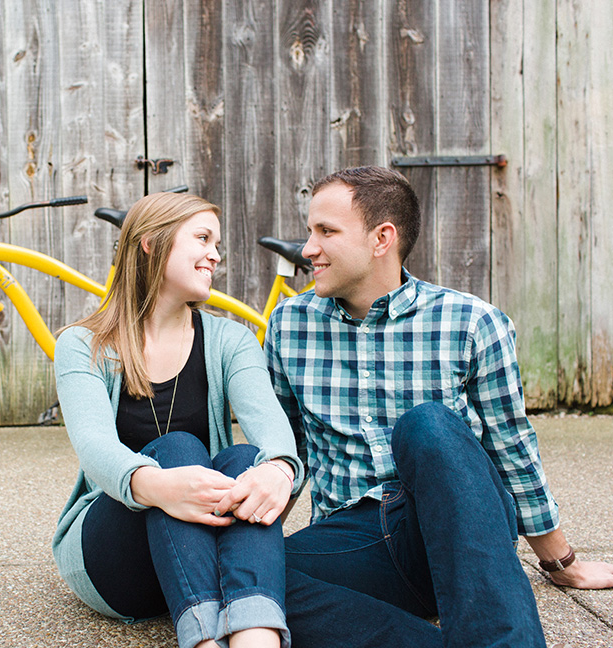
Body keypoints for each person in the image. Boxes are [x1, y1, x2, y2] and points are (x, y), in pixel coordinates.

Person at [264, 166, 613, 647]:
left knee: (426, 425)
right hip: (354, 541)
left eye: (326, 231)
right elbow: (289, 452)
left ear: (381, 238)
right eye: (310, 231)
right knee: (248, 582)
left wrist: (561, 563)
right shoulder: (290, 324)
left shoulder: (471, 322)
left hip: (454, 537)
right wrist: (255, 547)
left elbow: (513, 449)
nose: (307, 248)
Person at [53, 192, 304, 648]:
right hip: (116, 563)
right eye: (203, 238)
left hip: (198, 551)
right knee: (178, 449)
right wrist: (162, 486)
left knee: (249, 457)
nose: (216, 254)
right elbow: (94, 448)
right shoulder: (82, 343)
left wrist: (279, 469)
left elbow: (270, 426)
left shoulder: (231, 340)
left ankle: (255, 639)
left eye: (218, 243)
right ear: (151, 242)